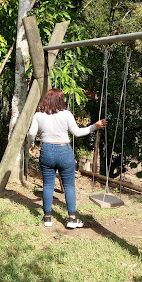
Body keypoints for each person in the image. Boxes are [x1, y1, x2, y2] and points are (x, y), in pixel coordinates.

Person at [28, 88, 106, 229]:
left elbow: (31, 133)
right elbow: (77, 133)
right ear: (60, 100)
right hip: (64, 150)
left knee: (48, 185)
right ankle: (71, 218)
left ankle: (47, 218)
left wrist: (32, 144)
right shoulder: (66, 114)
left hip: (46, 150)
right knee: (69, 185)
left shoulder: (39, 115)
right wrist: (95, 126)